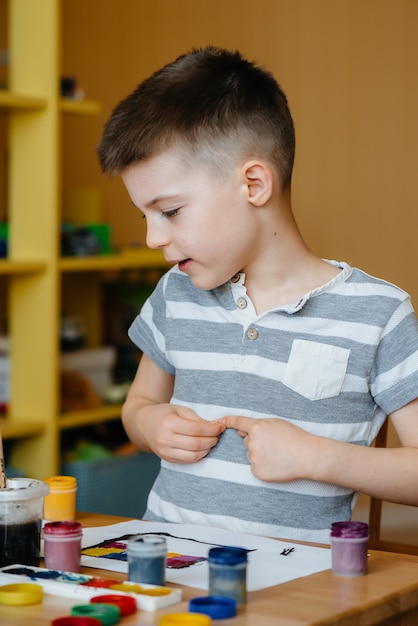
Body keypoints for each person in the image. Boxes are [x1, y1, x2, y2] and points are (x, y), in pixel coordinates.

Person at [97, 46, 418, 543]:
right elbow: (138, 404)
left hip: (298, 591)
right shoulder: (176, 295)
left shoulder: (378, 314)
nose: (153, 238)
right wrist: (149, 423)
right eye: (146, 216)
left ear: (253, 184)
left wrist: (316, 456)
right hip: (165, 571)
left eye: (171, 211)